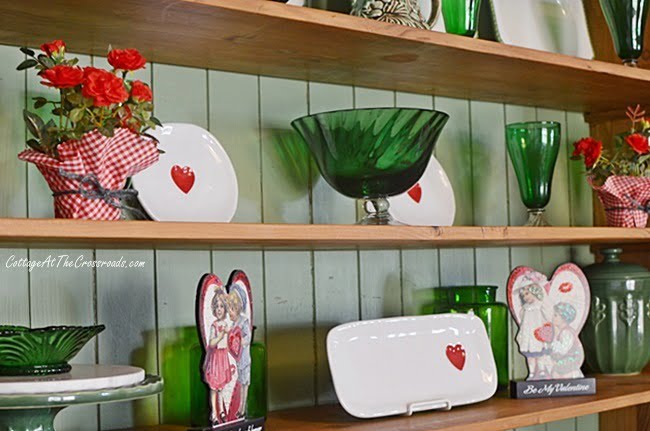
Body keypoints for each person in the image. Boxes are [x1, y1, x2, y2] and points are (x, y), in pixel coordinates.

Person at [203, 287, 233, 423]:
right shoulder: (214, 326)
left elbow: (229, 343)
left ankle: (221, 410)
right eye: (217, 307)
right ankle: (214, 413)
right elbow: (211, 343)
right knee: (214, 388)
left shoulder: (226, 324)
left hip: (223, 359)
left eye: (222, 306)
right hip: (215, 359)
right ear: (213, 310)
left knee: (221, 388)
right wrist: (222, 334)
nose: (219, 309)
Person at [516, 283, 551, 380]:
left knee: (540, 354)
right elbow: (523, 321)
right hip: (528, 334)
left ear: (534, 292)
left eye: (527, 294)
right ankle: (531, 373)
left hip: (538, 333)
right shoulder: (525, 308)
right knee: (530, 356)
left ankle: (542, 371)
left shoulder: (540, 305)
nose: (525, 297)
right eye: (523, 296)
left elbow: (547, 317)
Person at [227, 286, 252, 418]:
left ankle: (242, 408)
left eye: (231, 308)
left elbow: (247, 337)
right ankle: (239, 408)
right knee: (239, 383)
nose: (229, 312)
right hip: (236, 360)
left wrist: (241, 340)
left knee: (244, 384)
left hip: (244, 360)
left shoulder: (243, 321)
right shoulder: (233, 324)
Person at [550, 302, 584, 379]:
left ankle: (573, 375)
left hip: (571, 359)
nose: (552, 317)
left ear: (564, 318)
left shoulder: (566, 332)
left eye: (555, 315)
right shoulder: (562, 331)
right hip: (565, 358)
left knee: (554, 371)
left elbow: (563, 350)